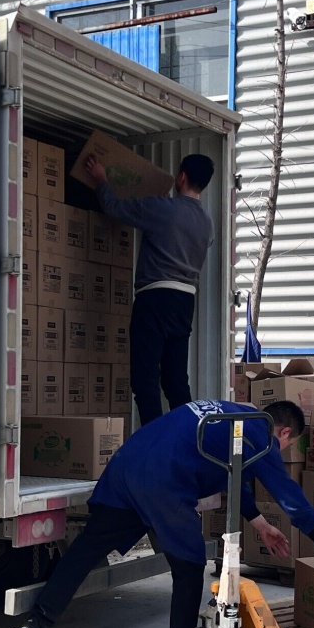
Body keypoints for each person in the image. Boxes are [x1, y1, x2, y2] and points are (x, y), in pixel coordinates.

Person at [12, 400, 314, 628]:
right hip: (166, 480)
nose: (282, 450)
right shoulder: (262, 435)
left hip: (126, 467)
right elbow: (290, 499)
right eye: (287, 444)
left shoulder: (231, 415)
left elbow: (233, 472)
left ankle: (38, 625)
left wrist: (259, 523)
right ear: (285, 432)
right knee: (189, 565)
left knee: (86, 549)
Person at [85, 152, 215, 426]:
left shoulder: (162, 208)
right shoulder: (207, 223)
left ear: (181, 177)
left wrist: (101, 180)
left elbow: (114, 208)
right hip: (185, 303)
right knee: (175, 380)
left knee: (145, 377)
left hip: (155, 297)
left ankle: (153, 439)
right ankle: (189, 436)